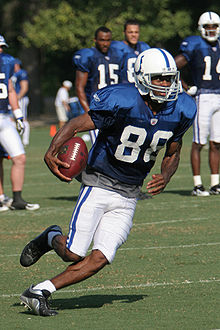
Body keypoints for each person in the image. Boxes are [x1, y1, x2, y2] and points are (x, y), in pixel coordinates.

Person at [19, 48, 196, 316]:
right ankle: (50, 236)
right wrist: (52, 149)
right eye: (159, 78)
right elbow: (77, 124)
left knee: (100, 258)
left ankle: (39, 291)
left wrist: (166, 176)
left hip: (129, 193)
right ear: (144, 77)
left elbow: (173, 150)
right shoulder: (122, 99)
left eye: (169, 78)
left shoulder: (181, 109)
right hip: (99, 182)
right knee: (72, 253)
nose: (165, 84)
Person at [175, 11, 220, 196]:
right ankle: (197, 185)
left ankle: (215, 183)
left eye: (214, 27)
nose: (211, 30)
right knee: (198, 142)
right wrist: (185, 87)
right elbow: (172, 66)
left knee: (217, 142)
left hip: (219, 97)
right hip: (202, 96)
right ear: (201, 28)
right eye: (207, 27)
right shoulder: (194, 45)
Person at [0, 34, 40, 211]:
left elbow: (10, 90)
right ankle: (1, 197)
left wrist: (17, 114)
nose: (1, 50)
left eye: (2, 47)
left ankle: (17, 199)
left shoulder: (6, 62)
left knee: (19, 157)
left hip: (3, 116)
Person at [73, 26, 122, 144]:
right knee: (99, 148)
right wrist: (89, 111)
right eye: (102, 40)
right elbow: (79, 87)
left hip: (115, 109)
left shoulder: (118, 55)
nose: (105, 44)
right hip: (97, 109)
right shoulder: (88, 56)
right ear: (95, 40)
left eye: (108, 40)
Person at [111, 19, 150, 83]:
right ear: (124, 33)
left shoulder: (144, 47)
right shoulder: (116, 48)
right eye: (130, 32)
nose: (134, 35)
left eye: (136, 32)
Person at [11, 58, 30, 146]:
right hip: (13, 98)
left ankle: (25, 140)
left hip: (20, 99)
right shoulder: (12, 73)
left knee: (22, 118)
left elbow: (24, 87)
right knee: (11, 119)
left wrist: (17, 98)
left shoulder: (21, 73)